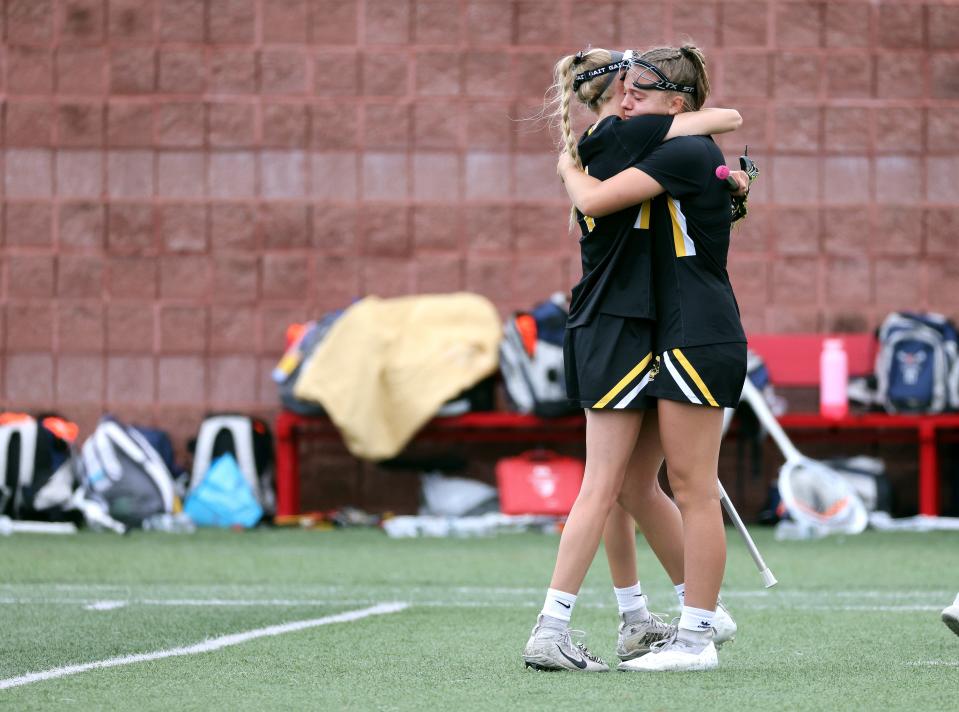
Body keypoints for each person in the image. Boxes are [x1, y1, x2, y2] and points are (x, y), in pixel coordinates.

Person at [522, 47, 744, 673]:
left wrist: (568, 166)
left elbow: (715, 122)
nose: (628, 103)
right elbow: (717, 119)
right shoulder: (630, 142)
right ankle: (673, 616)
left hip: (694, 332)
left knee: (691, 486)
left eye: (640, 93)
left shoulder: (670, 148)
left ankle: (695, 634)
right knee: (627, 484)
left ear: (675, 104)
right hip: (657, 332)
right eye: (621, 91)